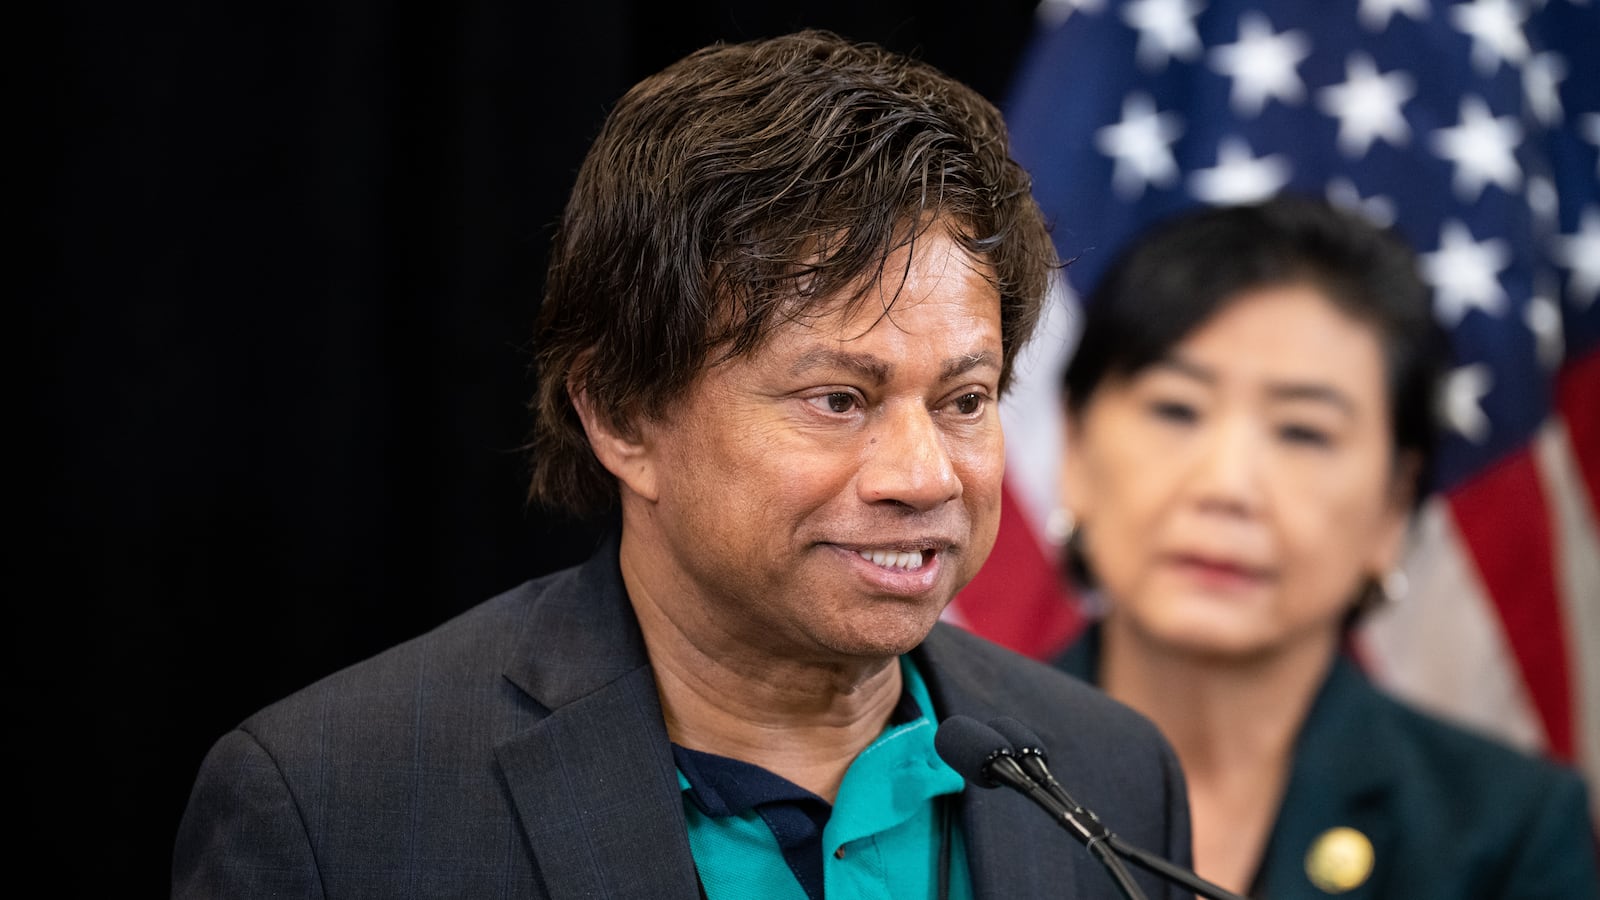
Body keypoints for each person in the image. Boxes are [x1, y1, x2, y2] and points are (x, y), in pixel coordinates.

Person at [173, 30, 1195, 899]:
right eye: (838, 400)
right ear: (620, 414)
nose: (924, 476)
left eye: (962, 401)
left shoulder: (1109, 773)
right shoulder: (331, 806)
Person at [1050, 196, 1600, 899]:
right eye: (1176, 409)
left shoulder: (1505, 833)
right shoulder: (939, 770)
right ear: (1074, 450)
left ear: (1393, 505)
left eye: (1303, 432)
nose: (1227, 486)